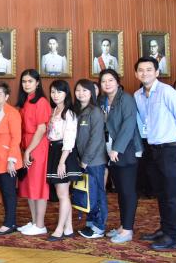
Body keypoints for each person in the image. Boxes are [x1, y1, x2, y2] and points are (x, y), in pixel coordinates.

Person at [135, 57, 176, 250]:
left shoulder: (167, 92)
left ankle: (172, 236)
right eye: (141, 70)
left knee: (172, 193)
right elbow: (145, 121)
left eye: (149, 69)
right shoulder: (138, 95)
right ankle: (165, 229)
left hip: (171, 148)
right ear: (136, 74)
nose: (145, 73)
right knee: (160, 192)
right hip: (153, 149)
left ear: (157, 72)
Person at [99, 69, 142, 244]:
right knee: (120, 190)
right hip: (110, 150)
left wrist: (117, 148)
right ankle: (123, 225)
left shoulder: (126, 99)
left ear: (117, 82)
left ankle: (128, 230)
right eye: (104, 81)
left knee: (127, 190)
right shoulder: (103, 100)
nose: (107, 84)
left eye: (111, 80)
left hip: (126, 149)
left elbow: (128, 125)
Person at [45, 80, 80, 241]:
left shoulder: (69, 113)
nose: (55, 95)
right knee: (63, 194)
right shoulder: (53, 111)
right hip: (54, 151)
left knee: (63, 194)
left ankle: (59, 229)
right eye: (53, 92)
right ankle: (68, 228)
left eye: (59, 92)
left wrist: (62, 162)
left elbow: (69, 139)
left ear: (66, 93)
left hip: (64, 153)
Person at [16, 69, 51, 236]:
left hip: (37, 146)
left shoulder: (41, 101)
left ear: (37, 83)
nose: (26, 84)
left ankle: (41, 224)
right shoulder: (25, 101)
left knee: (38, 185)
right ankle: (34, 221)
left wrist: (28, 150)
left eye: (30, 81)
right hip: (26, 145)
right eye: (24, 81)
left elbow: (41, 129)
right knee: (28, 185)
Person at [74, 79, 109, 239]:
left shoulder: (95, 111)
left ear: (92, 93)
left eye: (85, 90)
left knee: (98, 193)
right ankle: (90, 223)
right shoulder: (77, 110)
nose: (81, 93)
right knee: (88, 192)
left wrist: (85, 160)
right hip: (82, 160)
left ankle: (99, 227)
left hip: (94, 160)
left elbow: (95, 139)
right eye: (78, 90)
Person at [0, 82, 23, 235]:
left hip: (8, 159)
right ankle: (9, 220)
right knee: (3, 190)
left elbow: (16, 138)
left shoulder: (12, 112)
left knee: (9, 192)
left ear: (7, 96)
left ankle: (10, 223)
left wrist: (12, 160)